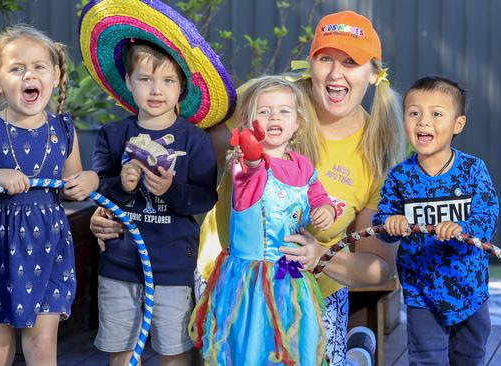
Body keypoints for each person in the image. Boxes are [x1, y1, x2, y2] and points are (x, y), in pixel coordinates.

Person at [91, 10, 406, 365]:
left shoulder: (378, 151)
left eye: (351, 62)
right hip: (228, 276)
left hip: (310, 288)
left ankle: (353, 353)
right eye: (325, 59)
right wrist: (116, 208)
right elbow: (177, 158)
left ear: (374, 73)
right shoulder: (267, 100)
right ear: (310, 65)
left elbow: (380, 267)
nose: (335, 73)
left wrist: (322, 257)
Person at [0, 24, 98, 365]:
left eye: (38, 67)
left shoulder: (63, 130)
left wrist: (89, 179)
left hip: (48, 245)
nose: (28, 74)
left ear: (56, 76)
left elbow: (72, 184)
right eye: (16, 68)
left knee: (42, 345)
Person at [189, 76, 337, 365]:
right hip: (251, 279)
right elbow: (253, 171)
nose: (274, 117)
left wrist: (326, 210)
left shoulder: (303, 165)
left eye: (284, 111)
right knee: (254, 343)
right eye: (264, 111)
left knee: (293, 343)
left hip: (290, 274)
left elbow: (319, 195)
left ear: (298, 123)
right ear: (250, 124)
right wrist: (251, 151)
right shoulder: (245, 164)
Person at [90, 40, 218, 366]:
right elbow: (98, 188)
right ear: (129, 84)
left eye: (167, 81)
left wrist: (171, 191)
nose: (156, 90)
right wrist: (122, 183)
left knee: (173, 350)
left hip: (173, 264)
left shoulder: (195, 140)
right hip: (120, 263)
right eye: (145, 79)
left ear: (181, 89)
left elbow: (205, 196)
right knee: (121, 349)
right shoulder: (113, 134)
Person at [373, 76, 499, 365]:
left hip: (470, 289)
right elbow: (382, 222)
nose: (423, 122)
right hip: (421, 292)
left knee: (470, 357)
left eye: (436, 114)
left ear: (458, 124)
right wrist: (390, 223)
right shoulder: (399, 177)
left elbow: (487, 216)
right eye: (414, 113)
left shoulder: (472, 170)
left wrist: (463, 228)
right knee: (426, 359)